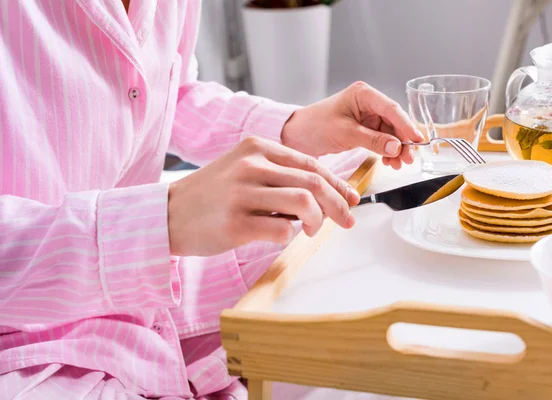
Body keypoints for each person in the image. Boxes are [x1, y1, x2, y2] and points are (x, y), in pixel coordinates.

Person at [0, 1, 423, 399]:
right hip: (20, 334)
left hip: (142, 298)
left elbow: (172, 91)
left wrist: (293, 126)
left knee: (356, 212)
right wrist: (163, 222)